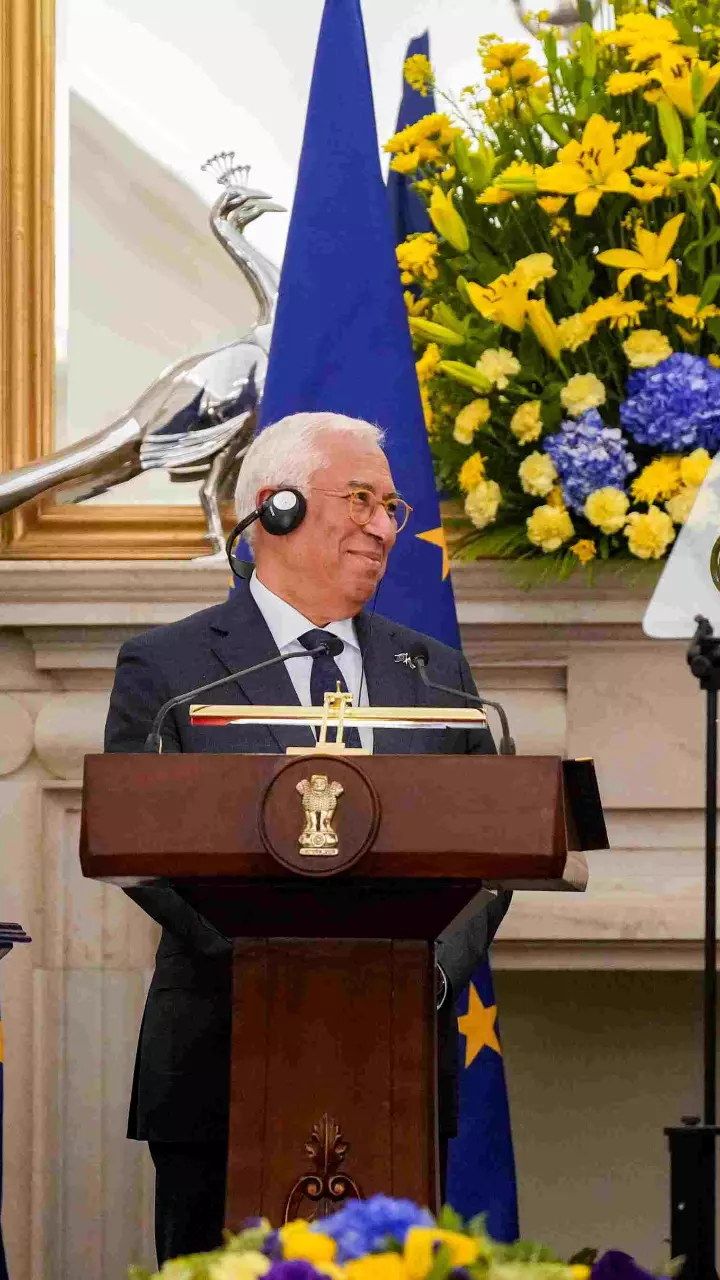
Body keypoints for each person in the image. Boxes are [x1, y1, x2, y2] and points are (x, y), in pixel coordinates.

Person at [105, 411, 511, 1266]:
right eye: (359, 499)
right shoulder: (168, 669)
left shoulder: (433, 673)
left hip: (399, 1059)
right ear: (275, 508)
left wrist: (422, 970)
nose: (382, 526)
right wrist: (275, 965)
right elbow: (141, 853)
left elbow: (495, 859)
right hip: (219, 1061)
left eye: (392, 508)